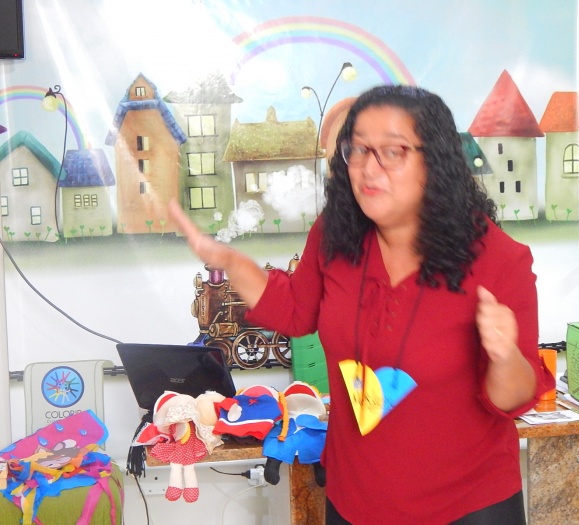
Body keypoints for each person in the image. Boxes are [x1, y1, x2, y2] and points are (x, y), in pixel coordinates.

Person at [168, 84, 554, 525]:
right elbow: (293, 309)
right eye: (358, 149)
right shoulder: (336, 234)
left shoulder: (499, 259)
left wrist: (504, 356)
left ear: (435, 160)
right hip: (354, 500)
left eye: (392, 151)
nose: (369, 168)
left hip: (468, 506)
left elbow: (512, 398)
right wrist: (229, 261)